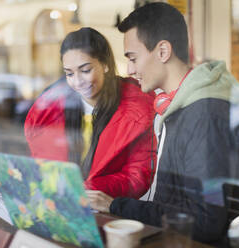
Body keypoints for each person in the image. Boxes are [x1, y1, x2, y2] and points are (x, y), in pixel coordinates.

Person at [86, 2, 239, 245]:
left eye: (133, 58)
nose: (130, 69)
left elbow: (204, 221)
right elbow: (174, 201)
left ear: (163, 51)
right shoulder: (173, 107)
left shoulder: (205, 115)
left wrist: (115, 205)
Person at [24, 27, 156, 199]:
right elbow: (41, 165)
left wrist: (83, 188)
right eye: (69, 74)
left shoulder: (137, 112)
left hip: (108, 211)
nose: (77, 82)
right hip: (61, 204)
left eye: (85, 70)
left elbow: (138, 176)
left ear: (105, 64)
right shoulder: (51, 111)